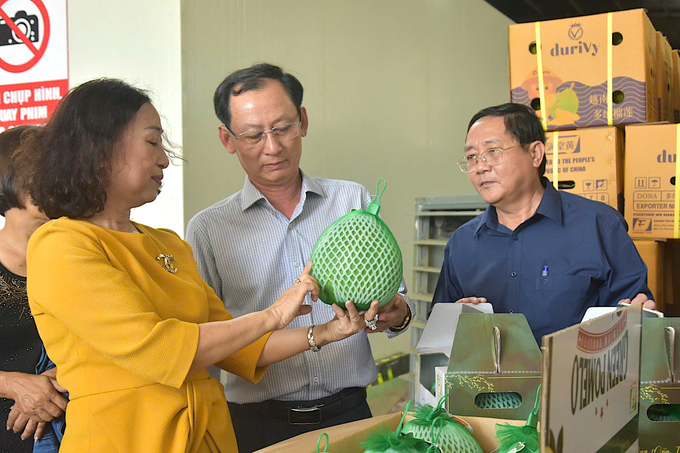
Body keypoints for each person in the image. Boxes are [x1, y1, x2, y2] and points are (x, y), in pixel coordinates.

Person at [20, 78, 378, 453]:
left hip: (207, 438)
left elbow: (234, 345)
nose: (164, 158)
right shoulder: (61, 245)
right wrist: (273, 314)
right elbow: (160, 350)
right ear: (100, 146)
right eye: (152, 142)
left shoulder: (167, 244)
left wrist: (323, 333)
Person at [186, 63, 416, 451]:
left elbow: (398, 299)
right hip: (257, 426)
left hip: (349, 414)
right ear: (227, 139)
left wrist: (399, 313)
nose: (272, 147)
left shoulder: (353, 201)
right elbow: (207, 346)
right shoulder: (208, 230)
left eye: (282, 128)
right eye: (253, 135)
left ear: (303, 121)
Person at [430, 102, 655, 345]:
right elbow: (440, 335)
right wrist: (458, 317)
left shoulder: (600, 226)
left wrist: (637, 314)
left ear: (535, 153)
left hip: (576, 380)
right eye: (472, 157)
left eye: (493, 151)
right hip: (489, 383)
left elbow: (632, 319)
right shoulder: (461, 243)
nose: (480, 167)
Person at [0, 125, 66, 453]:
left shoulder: (81, 258)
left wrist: (54, 380)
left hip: (75, 431)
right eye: (42, 171)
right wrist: (12, 383)